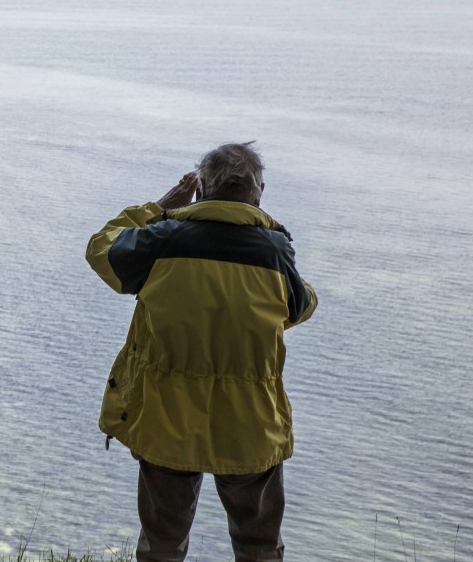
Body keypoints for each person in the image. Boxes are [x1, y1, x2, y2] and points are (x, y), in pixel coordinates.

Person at [85, 142, 317, 562]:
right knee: (259, 547)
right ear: (258, 191)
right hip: (250, 423)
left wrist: (159, 207)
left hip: (166, 417)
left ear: (202, 188)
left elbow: (102, 251)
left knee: (162, 545)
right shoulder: (274, 250)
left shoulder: (161, 238)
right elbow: (298, 308)